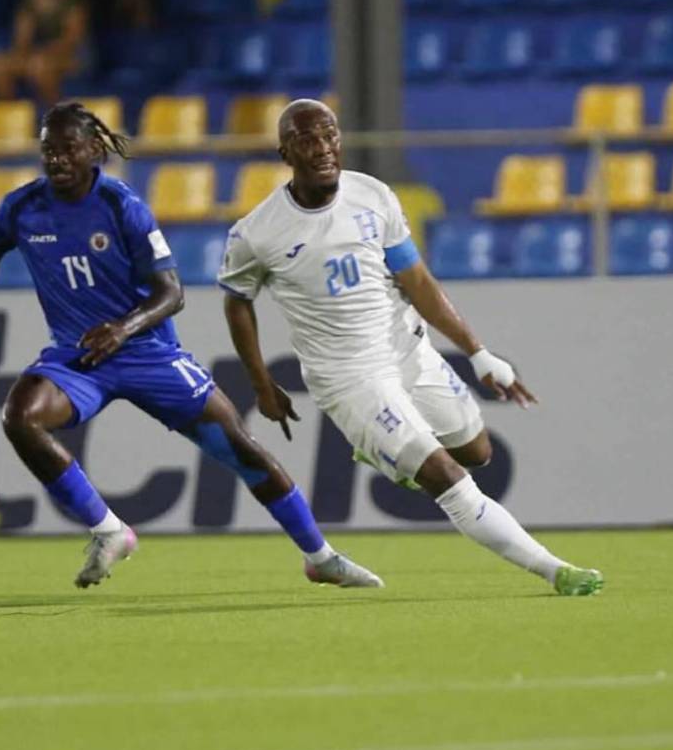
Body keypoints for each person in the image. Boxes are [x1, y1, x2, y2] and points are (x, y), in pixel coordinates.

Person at [0, 102, 383, 591]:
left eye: (68, 149)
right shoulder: (21, 207)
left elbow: (172, 293)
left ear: (95, 150)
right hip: (79, 357)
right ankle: (109, 530)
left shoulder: (121, 206)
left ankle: (320, 556)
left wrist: (122, 328)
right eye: (48, 150)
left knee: (240, 448)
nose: (57, 159)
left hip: (148, 352)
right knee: (20, 417)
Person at [217, 99, 604, 597]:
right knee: (446, 474)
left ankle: (382, 451)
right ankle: (555, 570)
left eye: (330, 136)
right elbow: (237, 303)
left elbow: (417, 280)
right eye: (308, 140)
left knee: (476, 450)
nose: (323, 148)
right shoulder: (257, 233)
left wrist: (479, 353)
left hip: (407, 349)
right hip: (350, 378)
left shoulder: (373, 195)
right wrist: (260, 384)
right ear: (285, 153)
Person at [0, 0, 88, 107]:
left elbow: (72, 41)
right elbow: (22, 41)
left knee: (40, 66)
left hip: (70, 57)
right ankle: (12, 111)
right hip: (35, 55)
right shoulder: (28, 3)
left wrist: (44, 53)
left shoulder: (72, 1)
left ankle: (59, 113)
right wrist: (24, 53)